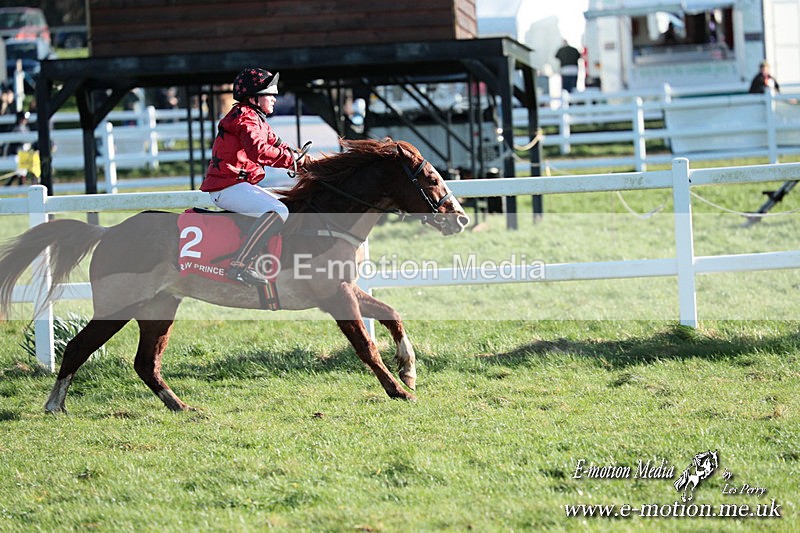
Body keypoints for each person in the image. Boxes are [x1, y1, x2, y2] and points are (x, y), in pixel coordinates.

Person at [201, 67, 307, 286]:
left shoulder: (255, 118)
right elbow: (258, 150)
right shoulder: (246, 118)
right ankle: (239, 266)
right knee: (278, 210)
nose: (275, 99)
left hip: (234, 185)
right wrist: (293, 161)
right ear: (254, 98)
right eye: (270, 94)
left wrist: (304, 160)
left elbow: (279, 144)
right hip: (227, 188)